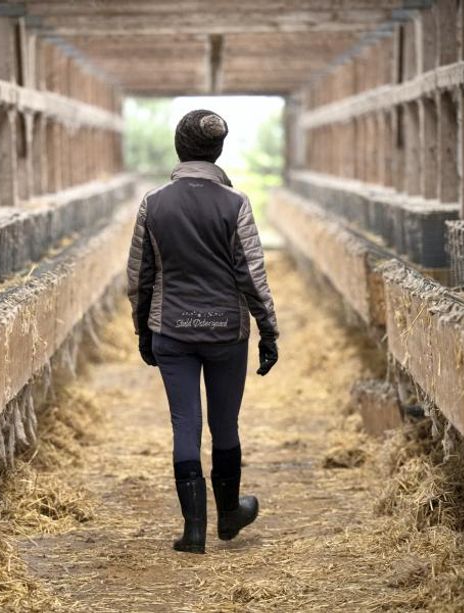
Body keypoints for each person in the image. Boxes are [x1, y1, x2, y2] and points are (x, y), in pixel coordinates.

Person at [126, 109, 279, 554]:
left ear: (179, 148)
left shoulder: (153, 203)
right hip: (226, 333)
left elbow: (140, 276)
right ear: (218, 151)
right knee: (225, 423)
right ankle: (229, 515)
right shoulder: (235, 204)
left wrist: (143, 330)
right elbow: (251, 275)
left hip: (171, 331)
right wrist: (268, 331)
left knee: (185, 425)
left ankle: (194, 532)